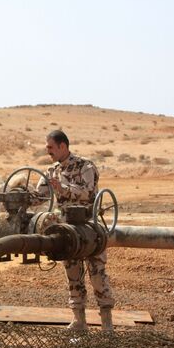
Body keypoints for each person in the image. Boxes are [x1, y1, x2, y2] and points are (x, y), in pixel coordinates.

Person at [39, 130, 114, 331]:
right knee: (72, 274)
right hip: (67, 231)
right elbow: (40, 195)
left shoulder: (85, 166)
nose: (48, 152)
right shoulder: (51, 170)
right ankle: (79, 321)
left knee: (97, 274)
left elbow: (88, 192)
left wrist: (62, 188)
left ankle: (107, 323)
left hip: (89, 229)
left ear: (63, 146)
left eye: (51, 147)